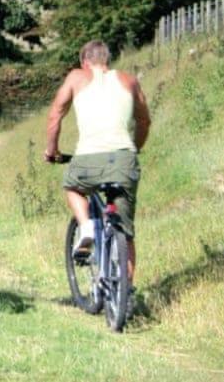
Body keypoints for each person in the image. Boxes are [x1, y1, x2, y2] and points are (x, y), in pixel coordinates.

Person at [44, 40, 151, 279]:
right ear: (108, 61)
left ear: (84, 62)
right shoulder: (129, 80)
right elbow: (144, 121)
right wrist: (136, 147)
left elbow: (55, 115)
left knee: (72, 186)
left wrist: (52, 150)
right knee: (125, 230)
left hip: (88, 159)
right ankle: (126, 292)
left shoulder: (76, 77)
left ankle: (86, 225)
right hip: (124, 159)